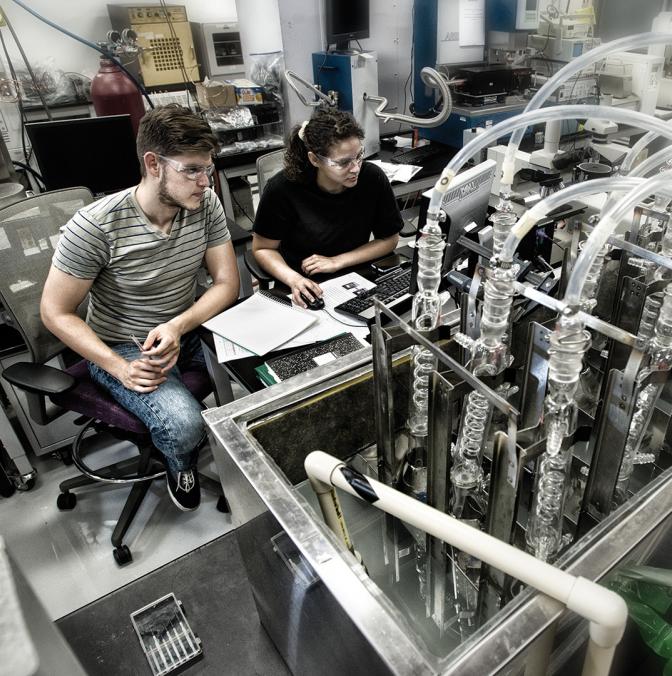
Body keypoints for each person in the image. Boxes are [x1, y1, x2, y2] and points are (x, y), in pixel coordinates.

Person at [41, 104, 239, 511]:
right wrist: (119, 366)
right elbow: (55, 312)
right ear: (153, 163)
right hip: (124, 345)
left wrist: (179, 326)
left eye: (209, 168)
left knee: (263, 371)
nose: (206, 182)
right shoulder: (95, 226)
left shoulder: (205, 206)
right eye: (192, 170)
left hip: (187, 330)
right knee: (185, 427)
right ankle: (178, 459)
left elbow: (226, 284)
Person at [252, 107, 403, 307]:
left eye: (358, 156)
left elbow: (390, 239)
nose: (356, 168)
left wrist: (337, 261)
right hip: (305, 285)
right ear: (314, 159)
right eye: (343, 163)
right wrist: (294, 279)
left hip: (356, 275)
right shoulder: (283, 189)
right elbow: (262, 248)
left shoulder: (372, 178)